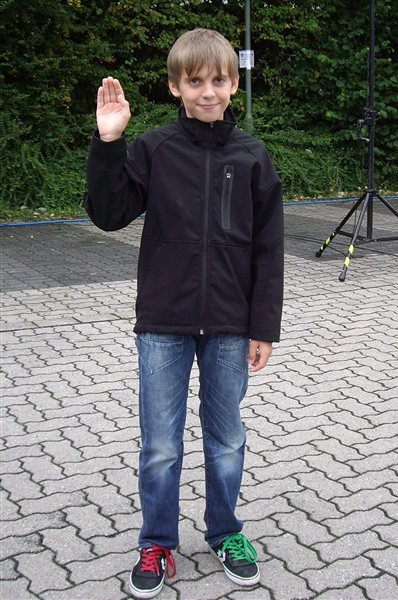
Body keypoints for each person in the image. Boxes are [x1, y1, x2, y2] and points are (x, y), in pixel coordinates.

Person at [86, 28, 284, 599]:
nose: (207, 91)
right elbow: (108, 214)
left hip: (229, 324)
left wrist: (263, 327)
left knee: (226, 439)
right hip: (164, 323)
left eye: (218, 80)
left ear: (234, 84)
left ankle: (225, 533)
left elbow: (269, 249)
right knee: (160, 446)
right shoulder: (155, 149)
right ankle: (156, 542)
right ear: (176, 87)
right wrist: (109, 143)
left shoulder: (252, 156)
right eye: (195, 81)